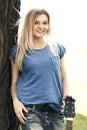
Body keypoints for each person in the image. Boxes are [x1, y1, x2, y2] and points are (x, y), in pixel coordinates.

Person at [9, 8, 70, 130]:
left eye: (45, 23)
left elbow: (64, 78)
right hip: (30, 111)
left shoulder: (57, 48)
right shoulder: (19, 51)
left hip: (56, 111)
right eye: (36, 22)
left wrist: (67, 94)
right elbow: (14, 83)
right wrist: (16, 102)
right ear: (29, 24)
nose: (41, 26)